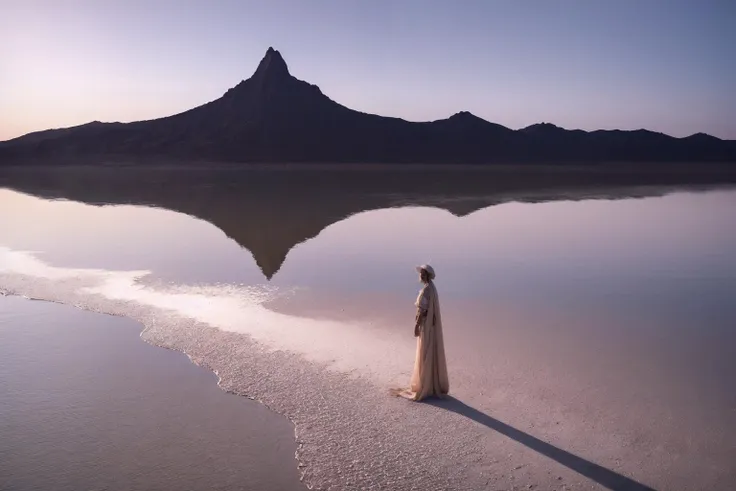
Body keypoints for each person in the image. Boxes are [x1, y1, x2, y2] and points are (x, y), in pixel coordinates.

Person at [406, 264, 449, 401]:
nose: (420, 275)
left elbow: (422, 311)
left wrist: (417, 326)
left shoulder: (426, 291)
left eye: (422, 273)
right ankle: (430, 383)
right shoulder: (433, 289)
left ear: (424, 275)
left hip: (426, 326)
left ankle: (425, 384)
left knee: (425, 351)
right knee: (430, 351)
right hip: (432, 326)